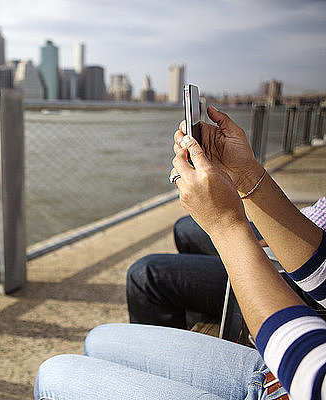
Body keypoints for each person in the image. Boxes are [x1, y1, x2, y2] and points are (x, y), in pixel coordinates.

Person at [34, 105, 326, 399]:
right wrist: (245, 174)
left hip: (296, 371)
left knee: (52, 374)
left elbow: (312, 378)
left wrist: (226, 226)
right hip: (274, 374)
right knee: (98, 339)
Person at [127, 197, 326, 330]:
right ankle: (202, 312)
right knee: (186, 227)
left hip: (312, 277)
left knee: (146, 275)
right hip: (310, 233)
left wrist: (230, 230)